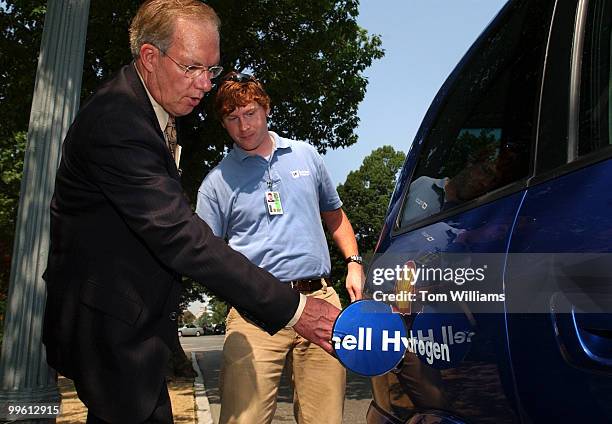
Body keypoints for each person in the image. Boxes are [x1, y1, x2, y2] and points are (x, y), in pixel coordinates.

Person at [42, 2, 340, 423]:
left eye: (212, 70)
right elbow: (184, 237)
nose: (204, 84)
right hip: (110, 329)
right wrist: (293, 308)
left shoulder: (152, 109)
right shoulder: (119, 121)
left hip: (128, 325)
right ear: (149, 57)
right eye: (192, 68)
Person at [195, 72, 365, 424]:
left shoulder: (305, 155)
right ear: (223, 124)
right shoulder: (215, 184)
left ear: (266, 109)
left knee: (326, 419)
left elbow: (336, 217)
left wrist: (354, 262)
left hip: (320, 301)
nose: (244, 126)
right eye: (233, 118)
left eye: (250, 113)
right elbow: (203, 257)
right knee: (244, 419)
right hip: (254, 314)